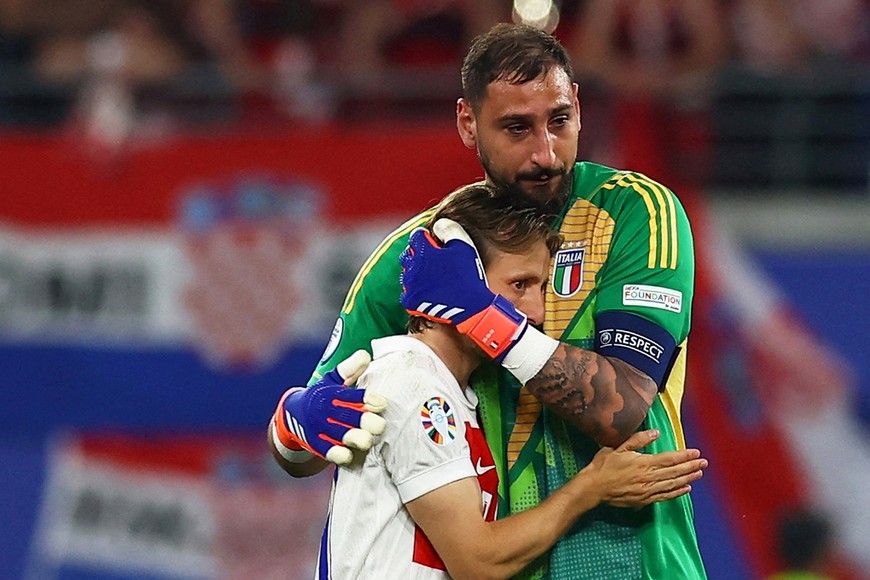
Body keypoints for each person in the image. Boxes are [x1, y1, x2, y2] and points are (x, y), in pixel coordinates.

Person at [270, 22, 705, 579]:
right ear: (468, 124)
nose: (545, 153)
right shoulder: (417, 254)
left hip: (636, 565)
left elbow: (620, 410)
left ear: (578, 107)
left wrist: (485, 318)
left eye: (559, 121)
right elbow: (311, 437)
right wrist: (294, 423)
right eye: (517, 128)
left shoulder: (635, 213)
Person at [299, 182, 706, 579]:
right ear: (459, 280)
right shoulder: (414, 385)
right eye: (519, 285)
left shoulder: (455, 392)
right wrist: (591, 487)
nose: (538, 312)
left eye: (542, 288)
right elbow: (478, 563)